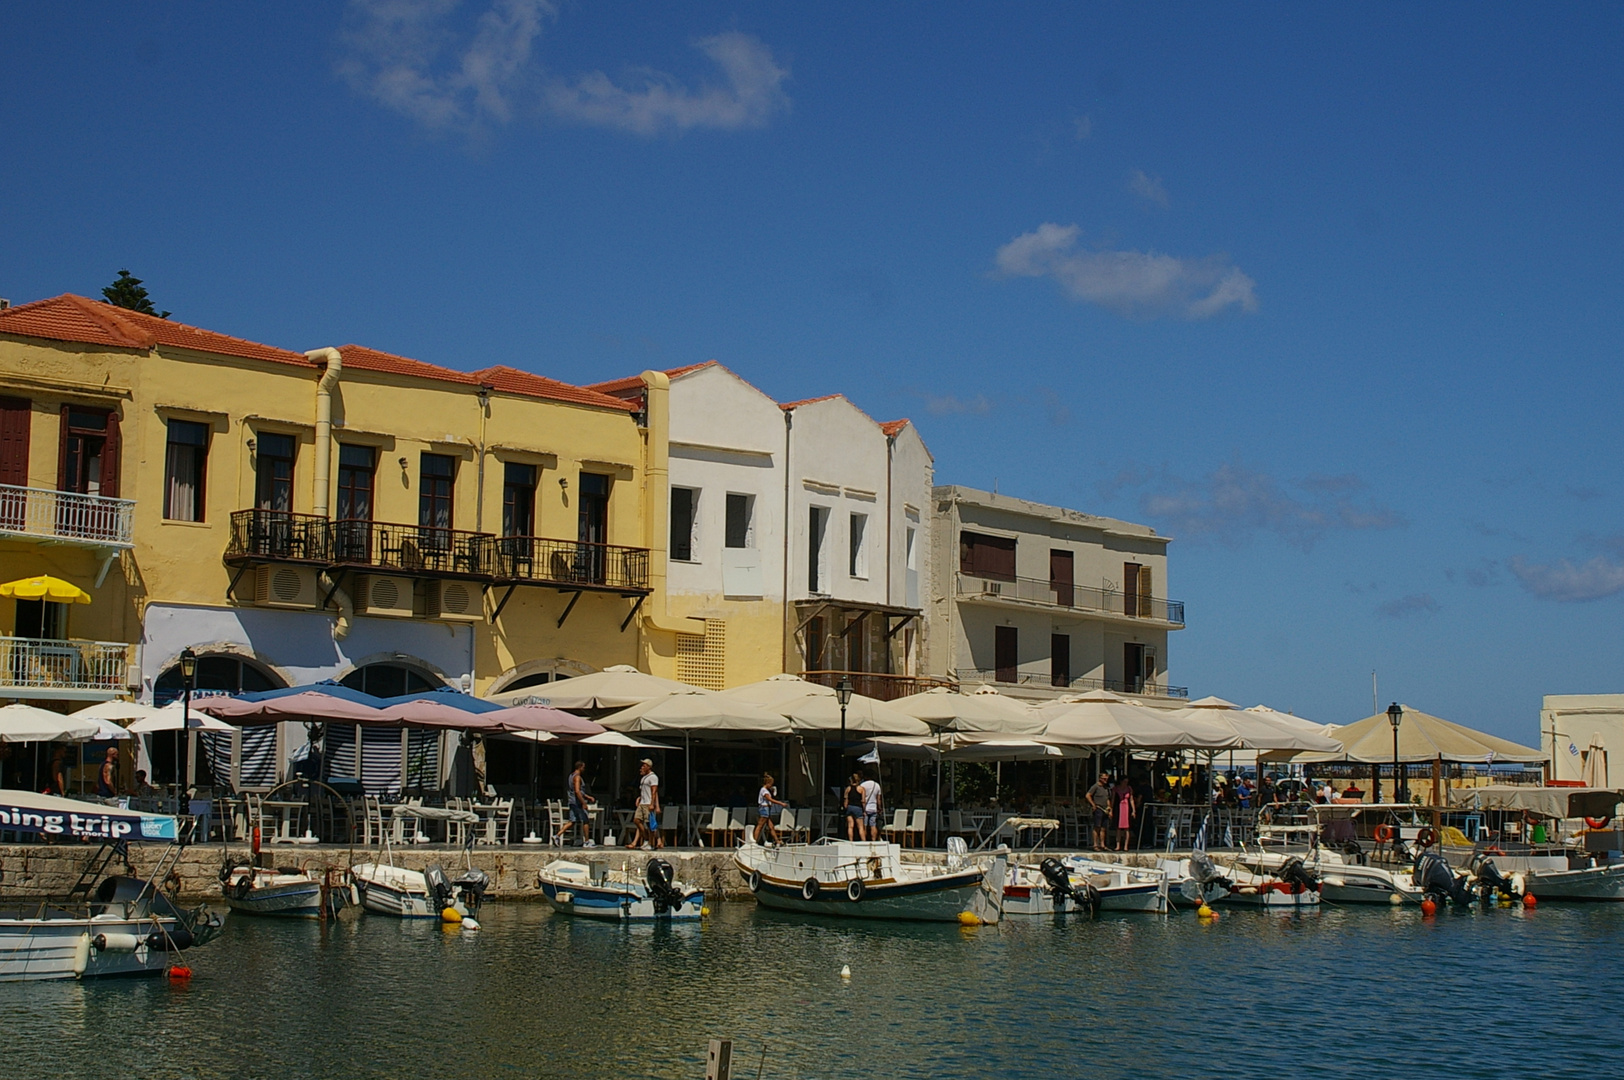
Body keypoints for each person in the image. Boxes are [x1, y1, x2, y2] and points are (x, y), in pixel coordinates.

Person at [626, 758, 661, 851]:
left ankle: (651, 842)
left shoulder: (653, 777)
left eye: (644, 766)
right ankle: (645, 836)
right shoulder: (643, 778)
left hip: (648, 803)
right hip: (642, 802)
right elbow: (644, 790)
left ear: (648, 767)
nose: (642, 767)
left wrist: (652, 804)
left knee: (650, 824)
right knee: (637, 820)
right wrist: (640, 798)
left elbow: (654, 791)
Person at [557, 761, 593, 847]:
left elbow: (578, 791)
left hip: (572, 801)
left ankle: (557, 835)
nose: (584, 769)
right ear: (580, 767)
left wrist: (588, 797)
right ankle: (587, 841)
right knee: (585, 821)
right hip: (577, 803)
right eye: (583, 767)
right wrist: (583, 803)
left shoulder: (571, 776)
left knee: (572, 821)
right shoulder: (577, 777)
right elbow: (577, 791)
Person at [754, 772, 787, 844]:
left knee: (771, 826)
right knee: (760, 825)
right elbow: (769, 799)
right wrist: (780, 803)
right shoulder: (764, 790)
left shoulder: (766, 790)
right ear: (768, 783)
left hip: (767, 809)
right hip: (764, 808)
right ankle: (754, 841)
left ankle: (777, 840)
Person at [1086, 773, 1111, 851]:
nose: (1105, 780)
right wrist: (1093, 804)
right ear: (1100, 778)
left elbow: (1107, 799)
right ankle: (1095, 844)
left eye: (1106, 778)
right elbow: (1088, 795)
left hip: (1105, 809)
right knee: (1097, 826)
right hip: (1098, 808)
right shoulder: (1096, 786)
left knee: (1104, 828)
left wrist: (1110, 808)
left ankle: (1102, 844)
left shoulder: (1106, 788)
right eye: (1104, 778)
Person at [1112, 774, 1136, 851]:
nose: (1125, 783)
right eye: (1124, 782)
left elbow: (1131, 799)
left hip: (1126, 808)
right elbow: (1113, 800)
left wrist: (1133, 810)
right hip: (1118, 808)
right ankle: (1118, 845)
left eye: (1127, 782)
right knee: (1118, 828)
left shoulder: (1129, 788)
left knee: (1127, 828)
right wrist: (1111, 809)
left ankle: (1126, 845)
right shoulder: (1115, 789)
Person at [858, 771, 883, 841]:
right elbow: (878, 799)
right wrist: (879, 808)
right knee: (873, 825)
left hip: (865, 808)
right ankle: (873, 839)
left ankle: (864, 840)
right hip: (873, 808)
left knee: (864, 826)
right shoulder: (877, 785)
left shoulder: (862, 785)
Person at [843, 772, 864, 840]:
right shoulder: (861, 789)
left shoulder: (848, 789)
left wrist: (846, 807)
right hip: (858, 807)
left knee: (850, 826)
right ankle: (863, 840)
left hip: (850, 807)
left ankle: (850, 840)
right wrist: (864, 809)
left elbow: (846, 799)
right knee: (860, 826)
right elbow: (863, 800)